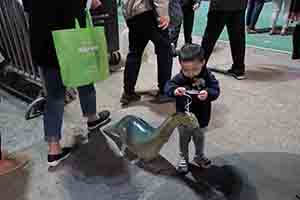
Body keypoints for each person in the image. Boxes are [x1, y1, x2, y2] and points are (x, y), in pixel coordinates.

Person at [24, 0, 110, 167]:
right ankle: (92, 118)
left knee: (54, 95)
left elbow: (27, 6)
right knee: (84, 76)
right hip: (70, 37)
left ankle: (53, 149)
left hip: (44, 40)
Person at [164, 44, 220, 173]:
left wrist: (208, 94)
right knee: (184, 139)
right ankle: (183, 157)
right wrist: (174, 90)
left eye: (195, 69)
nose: (190, 74)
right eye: (186, 70)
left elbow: (215, 90)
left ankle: (199, 156)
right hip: (183, 118)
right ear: (180, 65)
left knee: (199, 138)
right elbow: (168, 86)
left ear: (203, 62)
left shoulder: (207, 76)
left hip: (201, 118)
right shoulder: (179, 78)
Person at [120, 0, 173, 105]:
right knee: (165, 50)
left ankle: (128, 92)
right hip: (147, 11)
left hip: (132, 13)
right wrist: (163, 14)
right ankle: (165, 91)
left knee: (134, 53)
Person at [200, 0, 248, 80]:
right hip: (239, 6)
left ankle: (199, 69)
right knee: (238, 39)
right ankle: (239, 69)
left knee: (209, 39)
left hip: (220, 6)